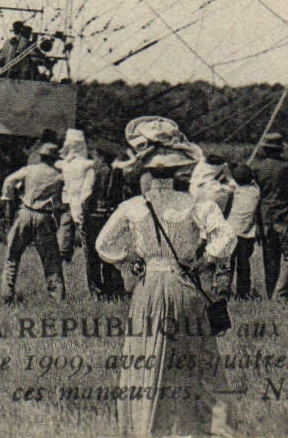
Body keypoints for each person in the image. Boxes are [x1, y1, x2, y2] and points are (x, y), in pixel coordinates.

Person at [95, 116, 235, 438]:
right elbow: (226, 238)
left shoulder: (133, 206)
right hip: (185, 286)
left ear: (145, 170)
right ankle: (194, 429)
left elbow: (103, 245)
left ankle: (146, 428)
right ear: (178, 169)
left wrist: (132, 259)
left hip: (149, 289)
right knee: (193, 358)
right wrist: (204, 262)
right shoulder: (196, 204)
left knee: (146, 356)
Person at [0, 142, 65, 301]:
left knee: (12, 256)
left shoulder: (30, 170)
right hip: (44, 216)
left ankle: (7, 294)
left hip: (25, 213)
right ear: (54, 158)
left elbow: (9, 180)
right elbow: (58, 203)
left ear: (41, 156)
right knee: (51, 262)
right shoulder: (58, 176)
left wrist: (8, 198)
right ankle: (58, 299)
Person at [248, 131, 288, 299]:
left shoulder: (256, 168)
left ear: (265, 149)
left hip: (265, 218)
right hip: (285, 217)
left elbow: (255, 196)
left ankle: (272, 293)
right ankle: (280, 295)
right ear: (280, 150)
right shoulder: (287, 168)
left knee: (270, 259)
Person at [82, 144, 129, 299]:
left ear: (100, 156)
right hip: (111, 216)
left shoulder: (93, 172)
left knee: (92, 255)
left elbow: (86, 196)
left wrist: (83, 215)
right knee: (110, 251)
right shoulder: (117, 173)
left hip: (94, 216)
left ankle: (96, 291)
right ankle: (114, 289)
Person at [57, 129, 96, 263]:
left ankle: (64, 254)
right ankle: (88, 254)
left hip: (68, 199)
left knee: (66, 226)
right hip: (81, 200)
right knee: (84, 230)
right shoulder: (87, 165)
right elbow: (88, 187)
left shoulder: (65, 164)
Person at [225, 162, 260, 298]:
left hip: (231, 232)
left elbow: (230, 184)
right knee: (244, 263)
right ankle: (243, 292)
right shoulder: (255, 192)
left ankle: (225, 289)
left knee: (229, 262)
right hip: (246, 234)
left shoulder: (234, 190)